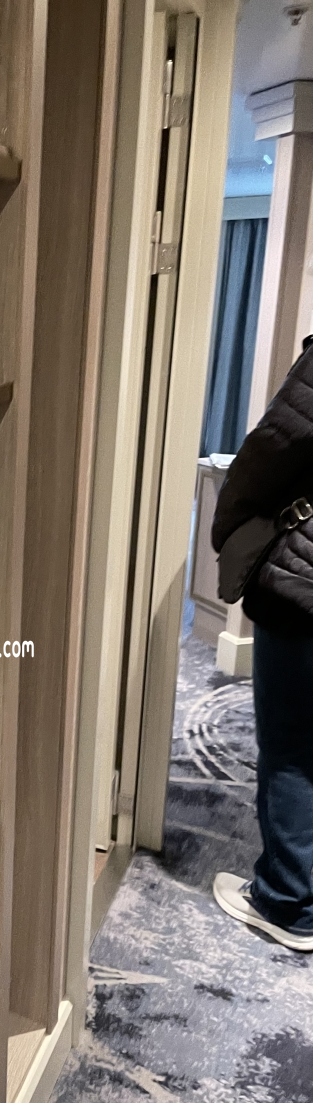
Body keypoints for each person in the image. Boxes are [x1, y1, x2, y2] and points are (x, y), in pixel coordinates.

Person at [211, 338, 313, 953]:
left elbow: (270, 451)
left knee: (293, 745)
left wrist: (231, 530)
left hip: (306, 587)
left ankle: (287, 902)